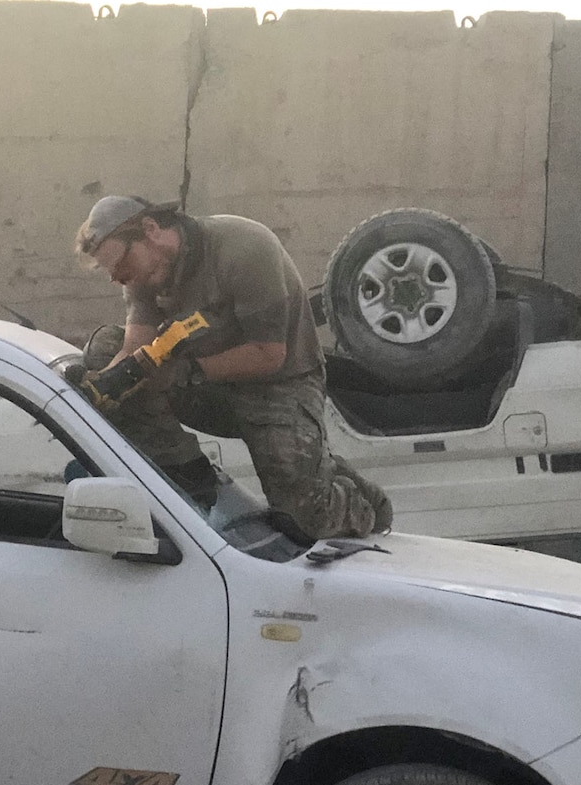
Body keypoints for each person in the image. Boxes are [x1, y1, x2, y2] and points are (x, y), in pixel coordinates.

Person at [74, 194, 391, 539]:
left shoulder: (243, 247)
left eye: (120, 263)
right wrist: (98, 387)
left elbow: (269, 354)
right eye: (112, 272)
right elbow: (135, 350)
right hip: (202, 383)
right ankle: (184, 471)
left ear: (150, 230)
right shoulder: (144, 275)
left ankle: (356, 496)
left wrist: (184, 373)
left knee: (304, 519)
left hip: (277, 383)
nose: (120, 278)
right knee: (106, 349)